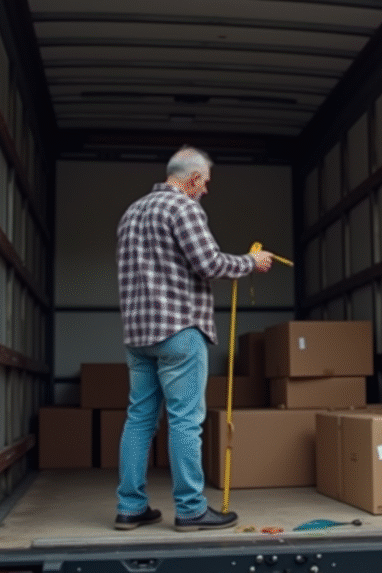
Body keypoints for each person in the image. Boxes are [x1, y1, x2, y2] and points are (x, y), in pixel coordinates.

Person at [113, 145, 273, 531]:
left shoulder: (131, 213)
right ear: (192, 178)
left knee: (139, 420)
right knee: (186, 422)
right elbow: (210, 263)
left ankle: (130, 507)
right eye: (205, 183)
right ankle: (190, 510)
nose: (205, 191)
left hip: (138, 336)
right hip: (179, 332)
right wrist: (251, 263)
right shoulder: (183, 208)